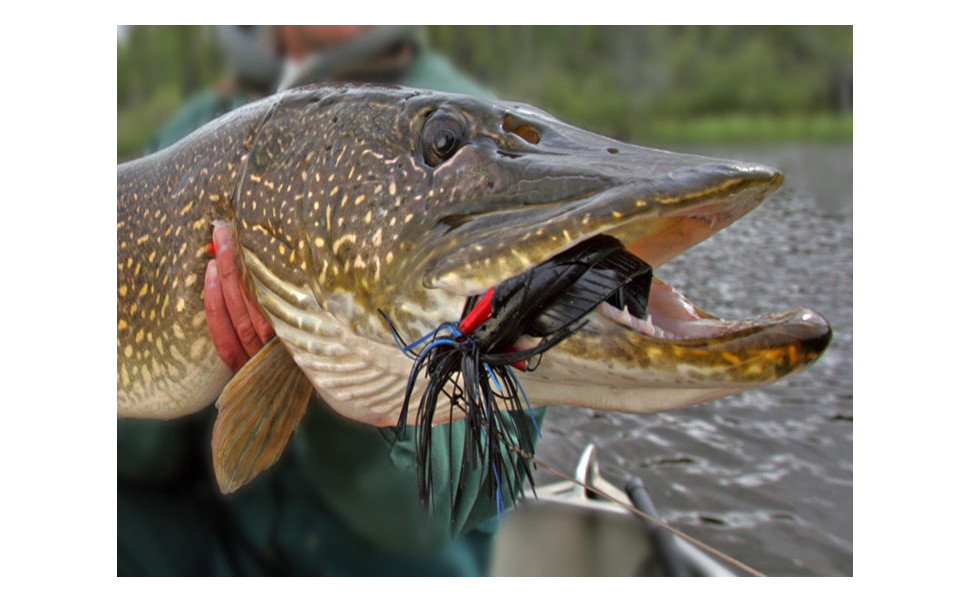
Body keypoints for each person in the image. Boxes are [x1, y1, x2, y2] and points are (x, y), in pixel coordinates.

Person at [118, 25, 544, 576]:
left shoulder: (462, 133)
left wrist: (330, 374)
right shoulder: (200, 117)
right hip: (219, 544)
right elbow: (145, 459)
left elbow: (449, 512)